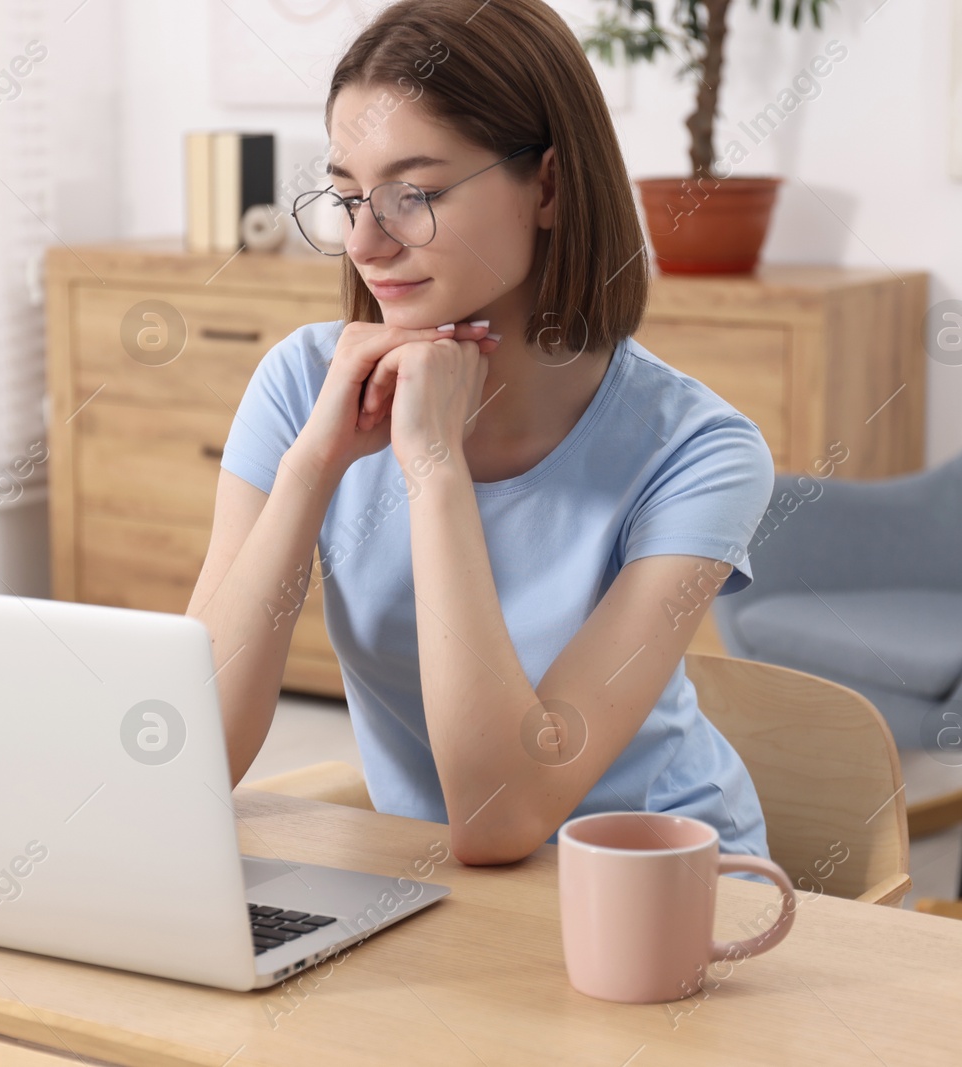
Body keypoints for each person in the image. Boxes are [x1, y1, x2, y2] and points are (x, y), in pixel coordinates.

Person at [187, 0, 776, 867]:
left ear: (549, 185)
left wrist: (433, 465)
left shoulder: (700, 454)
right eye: (349, 197)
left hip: (667, 892)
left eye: (413, 195)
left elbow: (501, 817)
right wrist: (314, 465)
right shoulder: (304, 387)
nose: (364, 243)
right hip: (439, 897)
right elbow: (195, 756)